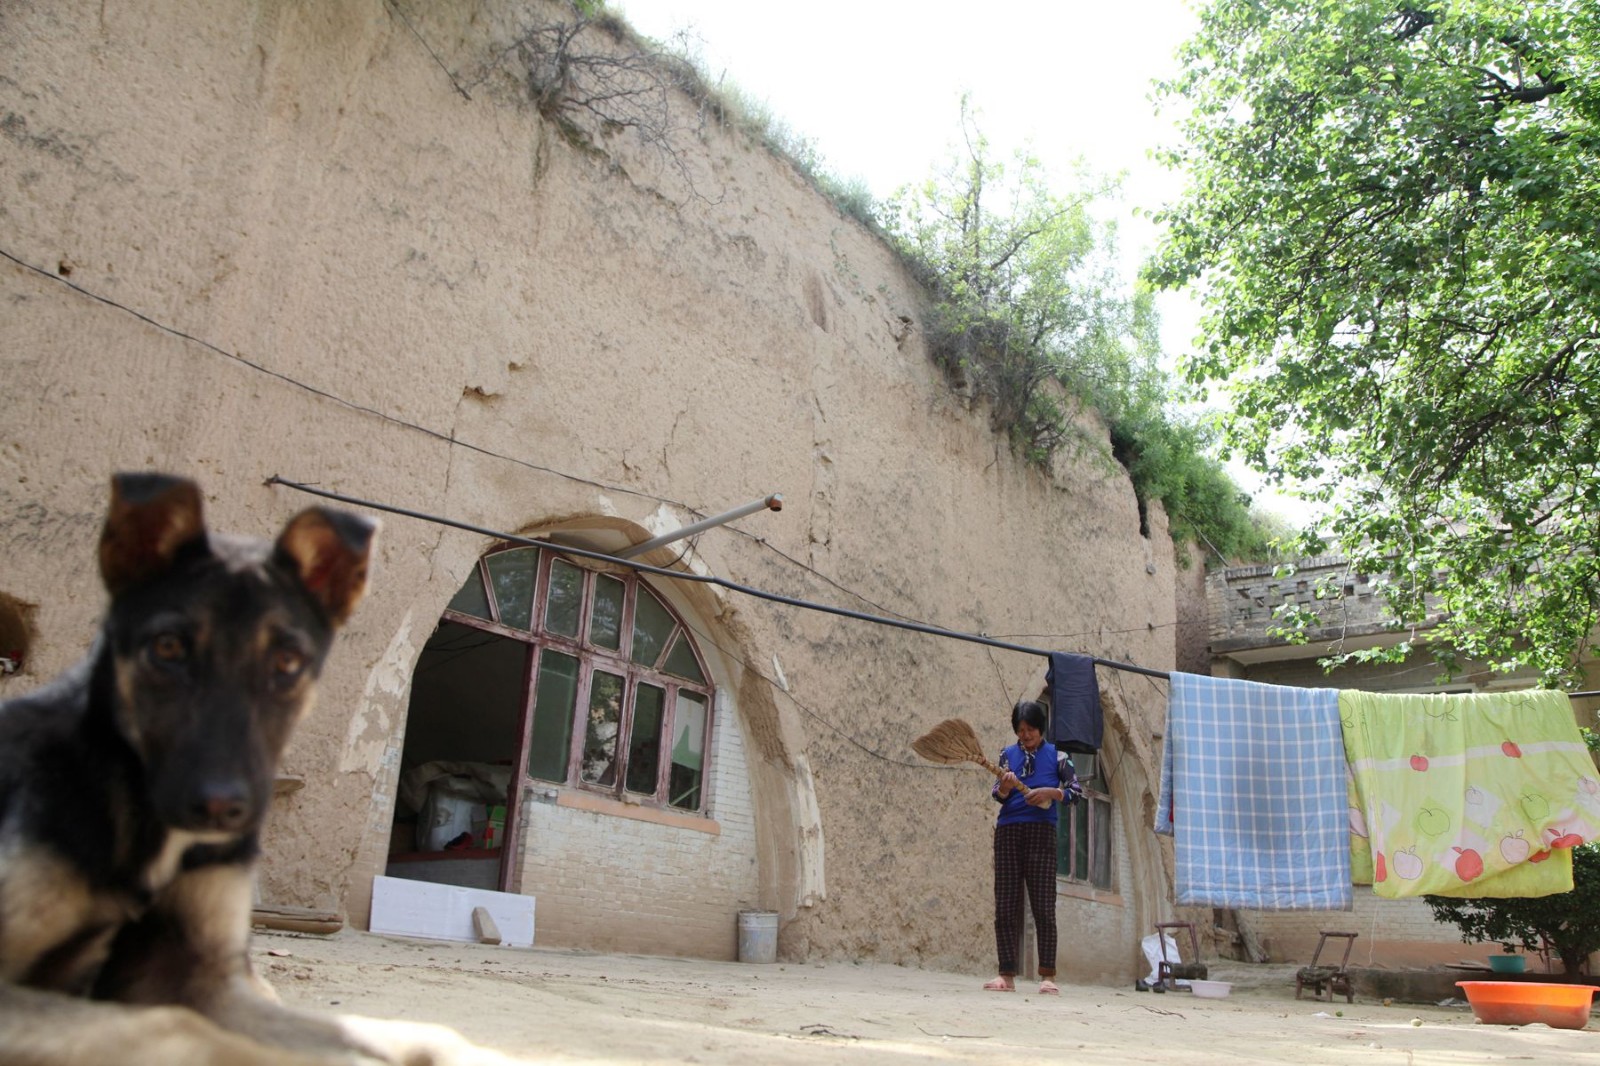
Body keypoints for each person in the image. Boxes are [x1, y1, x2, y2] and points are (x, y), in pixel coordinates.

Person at [984, 699, 1079, 994]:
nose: (1025, 735)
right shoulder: (1007, 755)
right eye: (1021, 730)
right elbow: (997, 796)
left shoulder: (1059, 756)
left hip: (1041, 834)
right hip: (1009, 832)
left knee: (1043, 905)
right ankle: (1006, 975)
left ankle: (1047, 975)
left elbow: (1076, 792)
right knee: (1006, 905)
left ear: (1041, 728)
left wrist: (1050, 792)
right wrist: (1006, 786)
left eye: (1031, 729)